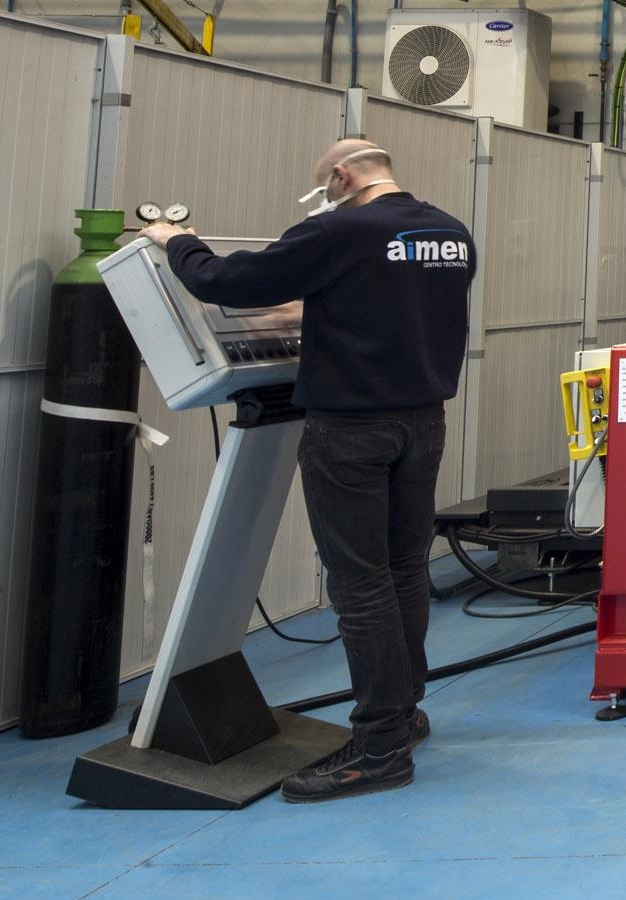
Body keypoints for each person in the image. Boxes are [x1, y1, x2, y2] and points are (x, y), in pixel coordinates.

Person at [143, 138, 475, 804]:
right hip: (422, 423)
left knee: (360, 587)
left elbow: (224, 282)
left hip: (350, 430)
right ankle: (402, 712)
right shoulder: (449, 232)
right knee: (403, 569)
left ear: (341, 176)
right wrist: (316, 309)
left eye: (324, 186)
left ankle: (379, 749)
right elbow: (393, 304)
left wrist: (175, 240)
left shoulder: (338, 230)